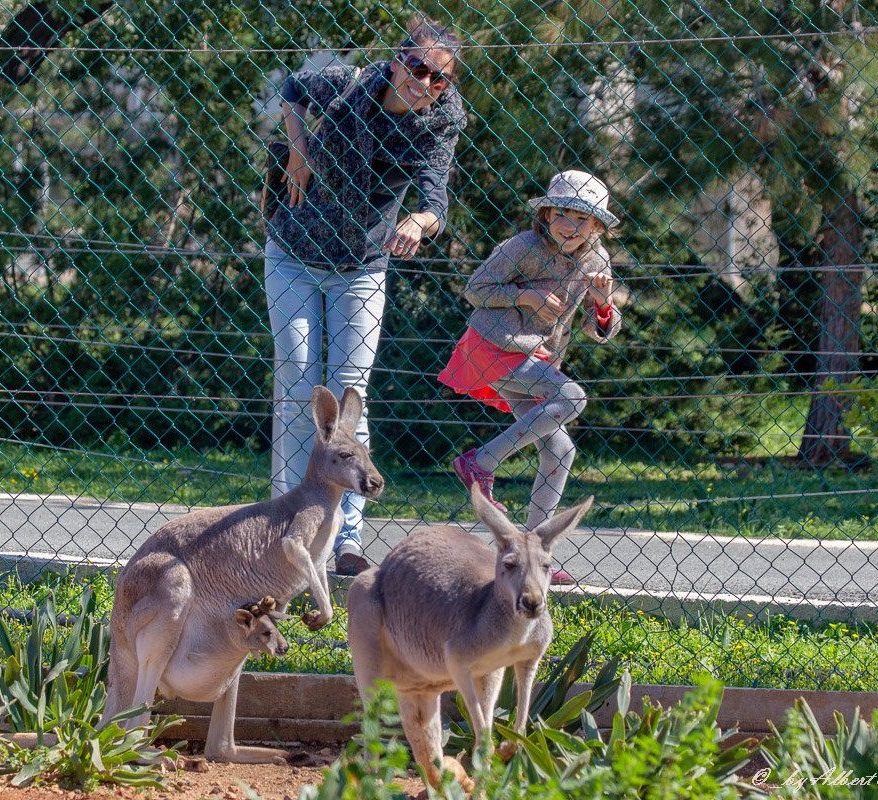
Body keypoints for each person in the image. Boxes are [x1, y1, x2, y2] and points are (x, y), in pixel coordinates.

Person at [265, 17, 467, 575]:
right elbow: (292, 89)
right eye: (418, 68)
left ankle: (347, 538)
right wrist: (299, 147)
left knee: (351, 395)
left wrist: (420, 222)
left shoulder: (440, 122)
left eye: (439, 78)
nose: (425, 83)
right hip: (293, 252)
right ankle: (287, 524)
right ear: (397, 61)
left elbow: (435, 198)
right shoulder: (350, 84)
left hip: (362, 265)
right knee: (299, 379)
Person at [438, 170, 623, 584]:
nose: (570, 226)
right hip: (493, 347)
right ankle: (479, 462)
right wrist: (525, 295)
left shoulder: (597, 262)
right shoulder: (521, 246)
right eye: (561, 214)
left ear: (597, 226)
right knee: (573, 398)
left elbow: (601, 331)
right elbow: (476, 289)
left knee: (560, 452)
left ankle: (533, 556)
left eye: (582, 219)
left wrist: (603, 302)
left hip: (537, 360)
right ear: (546, 213)